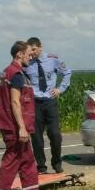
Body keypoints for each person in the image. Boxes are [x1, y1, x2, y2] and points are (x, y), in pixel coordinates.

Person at [0, 41, 47, 190]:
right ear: (19, 54)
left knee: (27, 160)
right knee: (12, 160)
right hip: (13, 126)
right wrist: (21, 127)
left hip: (12, 124)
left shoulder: (10, 72)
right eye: (28, 53)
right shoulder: (16, 74)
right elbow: (15, 102)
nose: (31, 56)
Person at [25, 37, 71, 174]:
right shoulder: (27, 64)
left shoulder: (53, 60)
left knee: (55, 134)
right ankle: (41, 167)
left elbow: (67, 72)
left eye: (33, 49)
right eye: (29, 50)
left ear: (40, 47)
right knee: (37, 137)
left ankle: (57, 163)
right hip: (35, 103)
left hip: (50, 102)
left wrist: (60, 89)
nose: (31, 53)